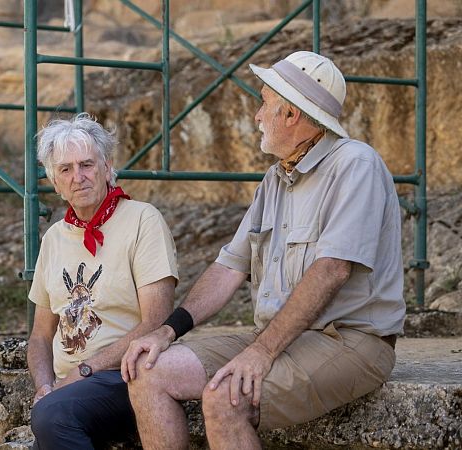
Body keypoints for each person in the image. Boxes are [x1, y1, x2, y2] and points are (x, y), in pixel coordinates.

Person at [120, 51, 405, 449]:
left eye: (264, 103)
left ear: (290, 115)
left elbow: (332, 270)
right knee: (148, 372)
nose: (257, 115)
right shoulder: (274, 180)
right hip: (275, 335)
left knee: (227, 397)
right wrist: (168, 330)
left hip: (351, 342)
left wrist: (261, 353)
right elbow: (228, 269)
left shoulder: (356, 165)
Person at [27, 113, 179, 449]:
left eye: (87, 165)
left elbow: (157, 321)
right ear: (54, 181)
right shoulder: (54, 238)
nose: (77, 177)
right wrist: (44, 386)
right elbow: (39, 336)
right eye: (65, 169)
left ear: (107, 168)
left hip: (126, 375)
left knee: (53, 418)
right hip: (69, 389)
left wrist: (83, 371)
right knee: (49, 418)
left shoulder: (142, 220)